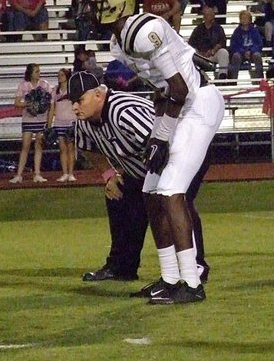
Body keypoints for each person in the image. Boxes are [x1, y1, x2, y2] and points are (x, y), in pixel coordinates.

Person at [76, 0, 225, 304]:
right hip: (176, 106)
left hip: (198, 103)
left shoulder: (144, 31)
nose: (89, 12)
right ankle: (170, 277)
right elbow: (164, 87)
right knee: (150, 192)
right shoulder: (119, 43)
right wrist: (161, 127)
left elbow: (180, 88)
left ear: (116, 5)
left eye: (94, 5)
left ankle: (192, 280)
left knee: (171, 190)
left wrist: (161, 135)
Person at [69, 71, 211, 286]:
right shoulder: (84, 122)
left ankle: (196, 267)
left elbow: (161, 144)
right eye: (72, 102)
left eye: (79, 100)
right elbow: (87, 148)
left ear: (98, 95)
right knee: (119, 195)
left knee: (174, 201)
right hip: (146, 168)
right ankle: (122, 266)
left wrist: (166, 184)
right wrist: (110, 175)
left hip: (181, 153)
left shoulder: (124, 112)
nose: (74, 107)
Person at [10, 63, 52, 184]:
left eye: (39, 71)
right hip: (28, 118)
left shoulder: (45, 85)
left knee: (39, 145)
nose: (39, 74)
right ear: (30, 73)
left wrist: (41, 107)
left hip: (41, 118)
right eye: (36, 72)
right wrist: (30, 104)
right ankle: (19, 174)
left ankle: (37, 173)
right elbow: (16, 103)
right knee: (25, 145)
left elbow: (50, 102)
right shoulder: (24, 85)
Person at [46, 68, 77, 183]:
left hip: (71, 121)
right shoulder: (55, 91)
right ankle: (64, 173)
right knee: (62, 149)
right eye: (58, 75)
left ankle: (71, 173)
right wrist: (49, 126)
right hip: (59, 122)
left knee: (71, 148)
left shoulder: (73, 90)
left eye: (62, 75)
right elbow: (52, 109)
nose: (60, 77)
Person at [188, 5, 230, 79]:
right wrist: (198, 53)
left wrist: (213, 50)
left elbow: (222, 42)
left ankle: (222, 75)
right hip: (201, 56)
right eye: (205, 15)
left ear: (213, 16)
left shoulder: (218, 28)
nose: (207, 17)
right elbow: (191, 44)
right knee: (192, 55)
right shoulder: (198, 29)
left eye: (209, 15)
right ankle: (204, 79)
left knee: (223, 52)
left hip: (213, 54)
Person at [229, 10, 264, 79]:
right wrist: (243, 52)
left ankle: (260, 79)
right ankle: (233, 80)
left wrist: (251, 51)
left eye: (246, 18)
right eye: (242, 18)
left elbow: (259, 44)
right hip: (241, 53)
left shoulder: (254, 31)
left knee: (257, 55)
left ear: (250, 20)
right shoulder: (237, 31)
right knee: (235, 56)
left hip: (252, 52)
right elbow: (233, 45)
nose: (244, 20)